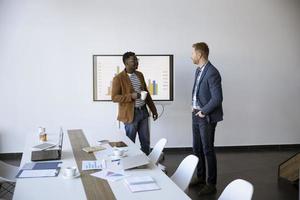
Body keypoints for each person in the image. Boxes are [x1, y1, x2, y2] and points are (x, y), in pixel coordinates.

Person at [190, 42, 223, 195]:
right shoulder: (199, 70)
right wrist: (194, 105)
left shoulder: (212, 72)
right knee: (197, 148)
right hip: (196, 114)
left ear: (200, 54)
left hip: (206, 116)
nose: (191, 56)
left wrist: (203, 111)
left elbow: (217, 99)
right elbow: (198, 91)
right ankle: (201, 177)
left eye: (193, 53)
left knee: (207, 149)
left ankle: (211, 184)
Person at [111, 52, 158, 155]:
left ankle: (146, 164)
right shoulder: (118, 78)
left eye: (137, 60)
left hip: (143, 112)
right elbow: (114, 97)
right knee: (130, 142)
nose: (136, 62)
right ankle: (130, 165)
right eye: (133, 61)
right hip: (130, 115)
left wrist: (153, 110)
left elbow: (147, 93)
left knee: (146, 142)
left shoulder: (139, 75)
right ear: (126, 63)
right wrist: (131, 96)